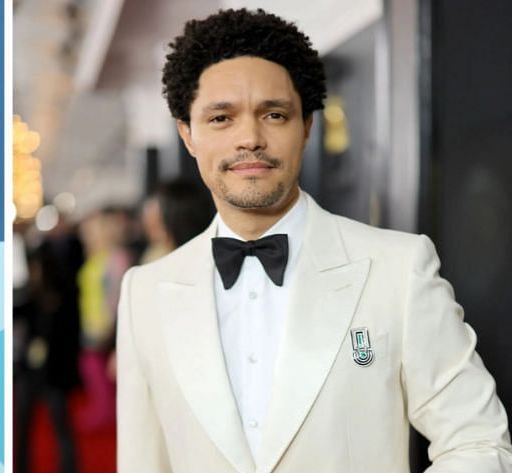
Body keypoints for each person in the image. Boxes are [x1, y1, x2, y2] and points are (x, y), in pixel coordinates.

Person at [116, 8, 512, 472]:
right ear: (188, 134)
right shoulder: (144, 292)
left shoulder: (397, 268)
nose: (250, 137)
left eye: (275, 114)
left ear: (305, 127)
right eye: (222, 118)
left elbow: (478, 440)